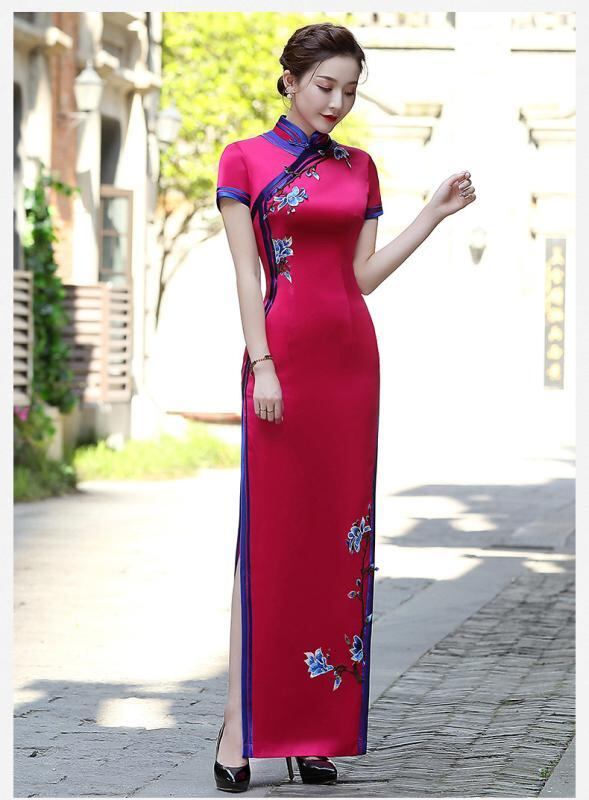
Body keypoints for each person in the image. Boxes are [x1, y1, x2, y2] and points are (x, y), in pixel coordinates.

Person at [213, 21, 476, 793]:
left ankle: (311, 734)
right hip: (282, 363)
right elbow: (245, 274)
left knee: (337, 548)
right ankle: (238, 729)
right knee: (268, 544)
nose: (336, 102)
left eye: (350, 91)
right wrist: (262, 363)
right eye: (325, 86)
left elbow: (358, 277)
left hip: (350, 366)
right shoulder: (243, 159)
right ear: (290, 80)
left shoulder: (361, 166)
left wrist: (430, 215)